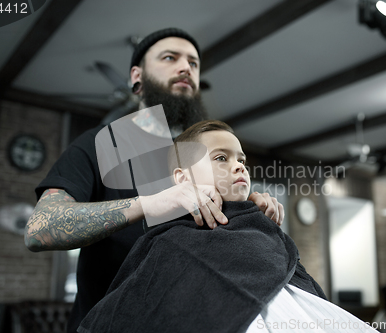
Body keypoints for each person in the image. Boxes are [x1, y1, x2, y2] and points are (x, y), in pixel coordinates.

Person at [25, 28, 284, 333]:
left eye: (194, 63)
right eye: (170, 58)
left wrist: (246, 208)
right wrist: (151, 204)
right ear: (137, 76)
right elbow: (40, 228)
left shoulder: (200, 157)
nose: (186, 67)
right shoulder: (101, 144)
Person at [77, 120, 378, 333]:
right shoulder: (171, 243)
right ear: (182, 178)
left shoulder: (262, 226)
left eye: (242, 160)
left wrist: (257, 224)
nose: (239, 166)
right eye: (221, 158)